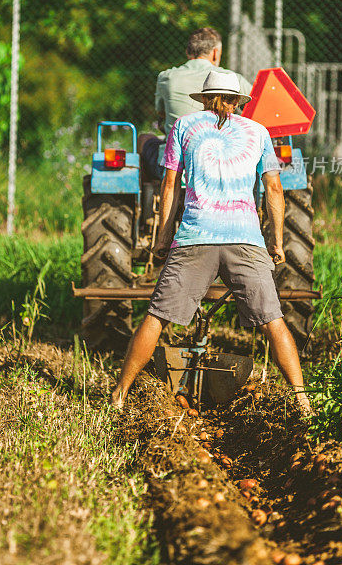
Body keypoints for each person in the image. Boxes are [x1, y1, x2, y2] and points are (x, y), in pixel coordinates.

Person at [112, 70, 312, 415]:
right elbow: (274, 190)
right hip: (246, 239)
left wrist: (162, 238)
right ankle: (302, 400)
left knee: (157, 316)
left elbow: (170, 185)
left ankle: (118, 395)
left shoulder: (183, 127)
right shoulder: (258, 131)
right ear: (238, 101)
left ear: (204, 98)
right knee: (273, 321)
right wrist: (276, 242)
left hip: (195, 236)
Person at [139, 27, 252, 181]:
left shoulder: (167, 77)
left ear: (188, 51)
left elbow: (161, 112)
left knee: (144, 139)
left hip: (175, 166)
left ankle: (148, 199)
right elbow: (255, 108)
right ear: (215, 53)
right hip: (223, 161)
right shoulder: (232, 79)